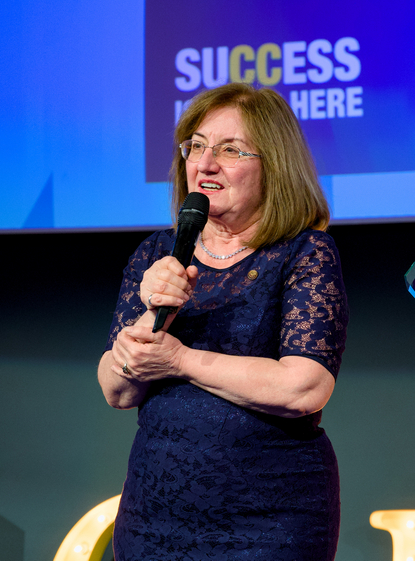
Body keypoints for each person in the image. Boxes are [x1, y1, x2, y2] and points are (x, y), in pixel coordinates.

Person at [98, 82, 348, 560]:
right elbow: (116, 389)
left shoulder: (303, 252)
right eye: (196, 146)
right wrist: (153, 311)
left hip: (269, 519)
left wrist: (180, 361)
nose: (205, 163)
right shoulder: (157, 253)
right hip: (153, 517)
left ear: (274, 165)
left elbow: (304, 388)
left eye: (230, 149)